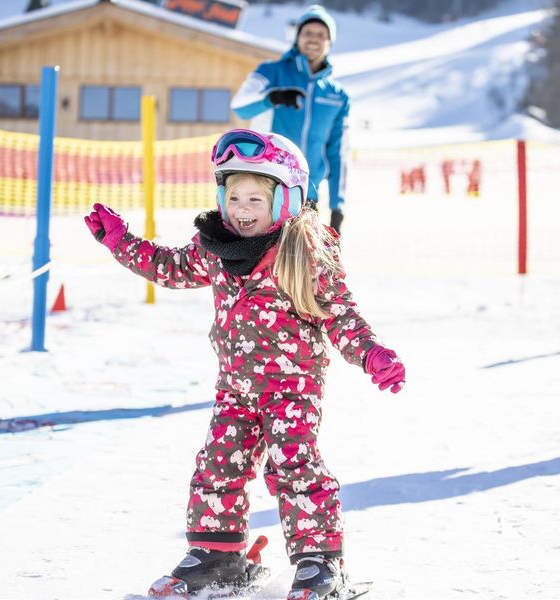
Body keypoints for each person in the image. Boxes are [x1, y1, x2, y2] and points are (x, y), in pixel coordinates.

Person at [84, 128, 406, 598]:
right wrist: (121, 241)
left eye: (257, 198)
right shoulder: (216, 247)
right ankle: (219, 556)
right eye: (234, 196)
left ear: (287, 199)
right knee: (217, 465)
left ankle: (320, 561)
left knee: (295, 465)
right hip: (235, 386)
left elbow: (341, 314)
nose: (242, 209)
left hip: (291, 388)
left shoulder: (304, 251)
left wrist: (371, 353)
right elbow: (170, 267)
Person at [231, 5, 349, 235]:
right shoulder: (271, 71)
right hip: (265, 188)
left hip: (308, 194)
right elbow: (240, 107)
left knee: (301, 266)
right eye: (307, 33)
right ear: (297, 38)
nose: (313, 39)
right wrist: (272, 98)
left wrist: (338, 205)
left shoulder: (337, 95)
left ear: (330, 42)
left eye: (320, 35)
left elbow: (338, 152)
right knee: (261, 265)